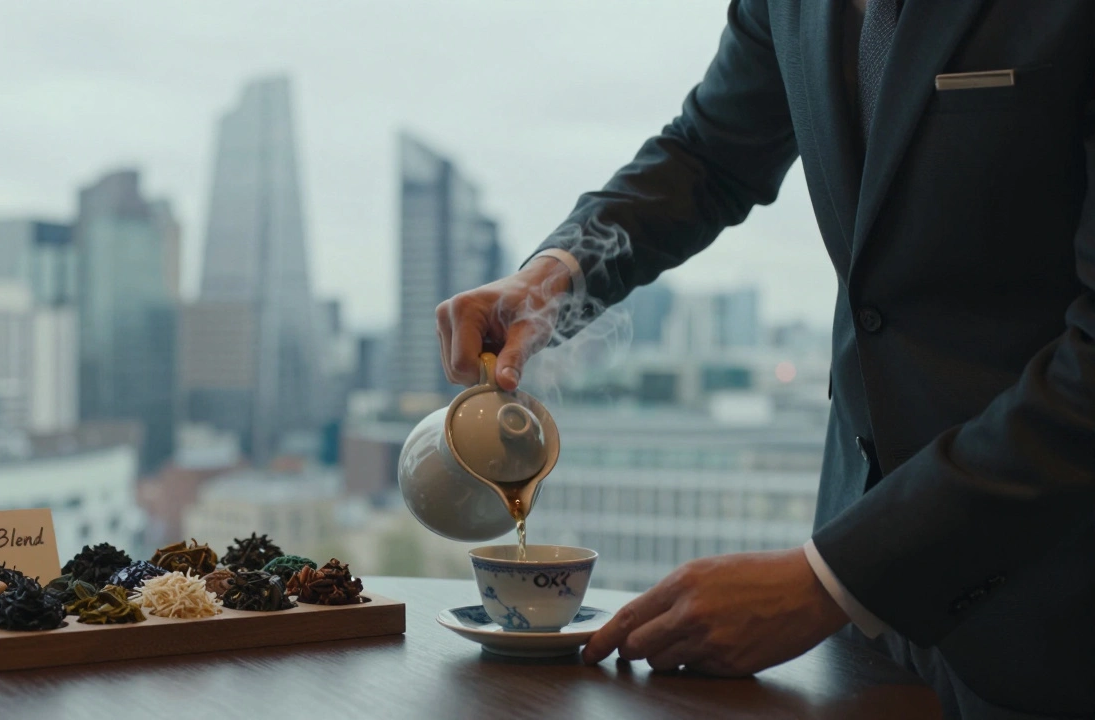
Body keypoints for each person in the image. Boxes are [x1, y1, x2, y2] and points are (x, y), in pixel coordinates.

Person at [434, 1, 1095, 718]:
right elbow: (711, 151)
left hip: (1057, 599)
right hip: (869, 609)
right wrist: (555, 275)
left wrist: (826, 579)